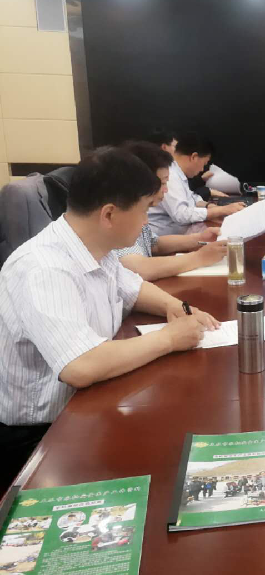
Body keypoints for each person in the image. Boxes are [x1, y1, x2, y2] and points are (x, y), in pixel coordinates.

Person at [0, 147, 219, 492]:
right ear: (109, 214)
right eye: (144, 210)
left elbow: (133, 288)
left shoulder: (95, 248)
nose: (146, 222)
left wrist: (175, 306)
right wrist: (169, 338)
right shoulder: (44, 268)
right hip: (43, 438)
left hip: (85, 407)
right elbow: (81, 365)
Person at [115, 141, 228, 281]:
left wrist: (200, 239)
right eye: (163, 183)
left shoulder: (137, 208)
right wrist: (199, 257)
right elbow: (140, 268)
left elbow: (154, 243)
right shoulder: (120, 214)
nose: (166, 190)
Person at [148, 132, 244, 235]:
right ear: (194, 157)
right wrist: (221, 210)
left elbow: (191, 197)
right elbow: (181, 215)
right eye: (204, 163)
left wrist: (210, 206)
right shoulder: (170, 175)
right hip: (161, 238)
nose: (202, 169)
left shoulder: (177, 172)